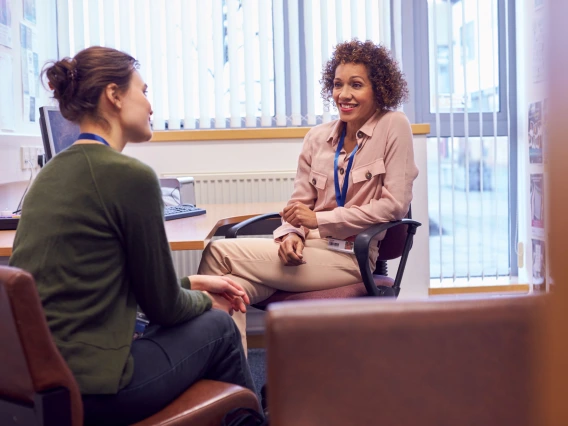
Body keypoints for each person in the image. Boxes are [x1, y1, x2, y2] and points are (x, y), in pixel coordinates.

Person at [9, 46, 255, 426]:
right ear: (114, 94)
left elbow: (99, 284)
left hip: (40, 385)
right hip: (98, 390)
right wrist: (206, 301)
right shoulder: (129, 176)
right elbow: (165, 309)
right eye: (144, 90)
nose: (151, 106)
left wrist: (191, 282)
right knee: (219, 328)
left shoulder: (49, 176)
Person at [198, 39, 419, 350]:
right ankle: (236, 385)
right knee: (230, 290)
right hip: (308, 253)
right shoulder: (317, 138)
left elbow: (393, 207)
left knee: (218, 254)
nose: (344, 94)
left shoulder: (393, 125)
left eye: (356, 85)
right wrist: (290, 234)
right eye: (338, 84)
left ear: (378, 89)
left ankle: (219, 377)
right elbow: (298, 203)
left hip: (352, 255)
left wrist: (318, 220)